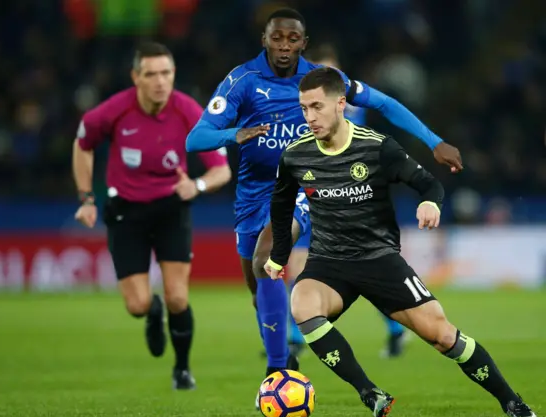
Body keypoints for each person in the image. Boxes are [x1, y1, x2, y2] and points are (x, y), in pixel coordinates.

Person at [186, 7, 463, 389]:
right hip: (253, 197)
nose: (285, 46)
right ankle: (285, 341)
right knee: (259, 286)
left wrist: (434, 142)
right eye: (277, 38)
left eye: (293, 39)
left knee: (270, 257)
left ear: (304, 42)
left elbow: (383, 103)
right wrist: (233, 134)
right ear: (264, 40)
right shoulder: (242, 81)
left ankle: (278, 372)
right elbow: (194, 139)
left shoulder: (322, 81)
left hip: (307, 186)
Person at [263, 67, 536, 417]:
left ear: (341, 104)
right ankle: (368, 391)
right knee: (302, 304)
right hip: (329, 263)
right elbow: (281, 210)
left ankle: (511, 401)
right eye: (304, 108)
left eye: (317, 106)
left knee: (443, 336)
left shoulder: (376, 147)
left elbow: (429, 184)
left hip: (380, 261)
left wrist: (430, 202)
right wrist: (278, 257)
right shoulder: (296, 156)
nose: (309, 117)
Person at [72, 42, 231, 390]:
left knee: (178, 296)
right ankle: (151, 311)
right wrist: (86, 198)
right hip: (126, 212)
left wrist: (198, 186)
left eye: (167, 73)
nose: (161, 81)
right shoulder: (113, 111)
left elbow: (222, 170)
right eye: (152, 74)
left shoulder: (190, 112)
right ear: (136, 77)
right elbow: (82, 144)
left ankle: (183, 369)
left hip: (171, 209)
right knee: (137, 304)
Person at [307, 44, 408, 358]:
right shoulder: (310, 106)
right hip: (313, 195)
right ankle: (297, 337)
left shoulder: (345, 107)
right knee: (299, 265)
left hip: (350, 196)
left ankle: (395, 328)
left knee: (361, 271)